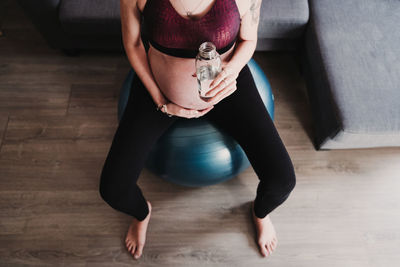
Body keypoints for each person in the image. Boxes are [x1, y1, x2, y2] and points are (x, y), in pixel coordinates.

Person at [100, 0, 296, 260]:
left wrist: (233, 71)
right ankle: (142, 213)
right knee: (113, 188)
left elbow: (248, 41)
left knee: (282, 180)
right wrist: (161, 102)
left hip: (226, 87)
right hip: (158, 93)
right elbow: (134, 45)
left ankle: (260, 213)